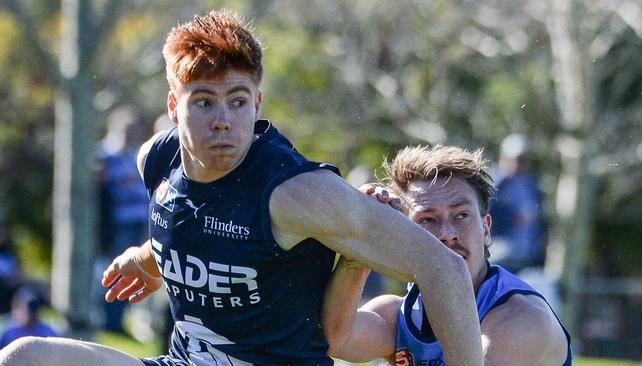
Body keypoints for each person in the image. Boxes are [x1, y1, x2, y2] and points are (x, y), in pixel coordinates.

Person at [0, 10, 483, 366]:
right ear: (174, 106)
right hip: (183, 362)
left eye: (237, 101)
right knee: (25, 357)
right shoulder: (156, 160)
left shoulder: (296, 195)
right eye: (204, 102)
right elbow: (199, 221)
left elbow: (441, 268)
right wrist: (150, 256)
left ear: (258, 102)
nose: (223, 122)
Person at [322, 145, 572, 365]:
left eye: (461, 215)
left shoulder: (522, 318)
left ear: (486, 229)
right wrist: (361, 245)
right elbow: (337, 340)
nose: (447, 234)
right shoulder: (400, 315)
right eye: (427, 220)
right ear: (401, 235)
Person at [96, 105, 151, 334]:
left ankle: (119, 319)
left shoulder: (133, 153)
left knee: (135, 271)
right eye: (127, 129)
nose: (131, 134)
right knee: (118, 271)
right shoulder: (104, 155)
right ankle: (111, 321)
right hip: (117, 224)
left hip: (140, 222)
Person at [489, 133, 545, 273]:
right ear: (504, 157)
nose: (520, 164)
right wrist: (512, 217)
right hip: (499, 251)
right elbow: (484, 213)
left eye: (524, 160)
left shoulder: (528, 183)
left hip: (526, 254)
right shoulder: (494, 181)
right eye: (517, 159)